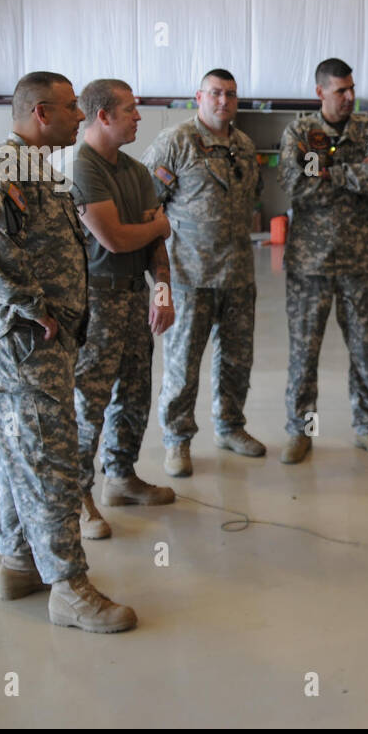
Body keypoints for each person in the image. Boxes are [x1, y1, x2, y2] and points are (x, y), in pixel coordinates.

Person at [0, 70, 136, 633]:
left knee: (24, 450)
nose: (79, 117)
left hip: (41, 340)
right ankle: (69, 587)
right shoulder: (1, 168)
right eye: (69, 108)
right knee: (51, 459)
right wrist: (34, 305)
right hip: (22, 342)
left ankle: (19, 562)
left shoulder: (38, 169)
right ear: (40, 112)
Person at [277, 58, 368, 464]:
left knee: (363, 350)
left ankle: (367, 428)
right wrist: (353, 175)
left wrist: (331, 172)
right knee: (305, 352)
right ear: (320, 93)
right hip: (310, 264)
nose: (349, 97)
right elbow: (297, 188)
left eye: (351, 89)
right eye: (340, 91)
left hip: (360, 260)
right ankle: (302, 431)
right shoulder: (300, 132)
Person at [142, 69, 263, 477]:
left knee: (237, 361)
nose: (223, 101)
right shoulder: (175, 143)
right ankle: (177, 441)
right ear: (199, 96)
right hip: (189, 276)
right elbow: (147, 210)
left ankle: (231, 427)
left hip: (238, 275)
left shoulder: (245, 146)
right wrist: (160, 288)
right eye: (215, 93)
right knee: (183, 366)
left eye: (230, 94)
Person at [71, 79, 176, 540]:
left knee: (134, 392)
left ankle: (121, 477)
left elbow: (155, 239)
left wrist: (162, 291)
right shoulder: (83, 168)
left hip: (136, 295)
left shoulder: (135, 170)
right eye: (130, 110)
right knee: (89, 401)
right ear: (104, 117)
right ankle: (78, 495)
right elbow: (112, 239)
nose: (138, 118)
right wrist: (156, 227)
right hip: (97, 300)